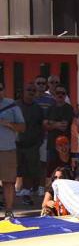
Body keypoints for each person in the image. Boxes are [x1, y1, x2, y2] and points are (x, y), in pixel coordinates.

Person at [0, 82, 26, 219]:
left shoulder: (11, 105)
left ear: (4, 90)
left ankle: (9, 212)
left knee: (8, 182)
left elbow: (22, 127)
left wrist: (8, 124)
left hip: (7, 149)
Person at [16, 82, 45, 206]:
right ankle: (8, 196)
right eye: (29, 90)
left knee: (30, 171)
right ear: (23, 92)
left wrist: (39, 142)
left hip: (32, 145)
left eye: (33, 90)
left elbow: (42, 126)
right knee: (14, 170)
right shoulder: (15, 106)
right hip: (16, 144)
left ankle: (26, 195)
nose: (31, 92)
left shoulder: (38, 108)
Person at [43, 84, 74, 164]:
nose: (60, 95)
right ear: (54, 94)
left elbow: (63, 126)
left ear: (65, 95)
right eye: (58, 93)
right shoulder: (50, 108)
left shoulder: (69, 108)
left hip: (64, 146)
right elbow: (45, 126)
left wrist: (51, 123)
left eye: (63, 93)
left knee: (65, 169)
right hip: (51, 145)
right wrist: (56, 124)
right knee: (51, 169)